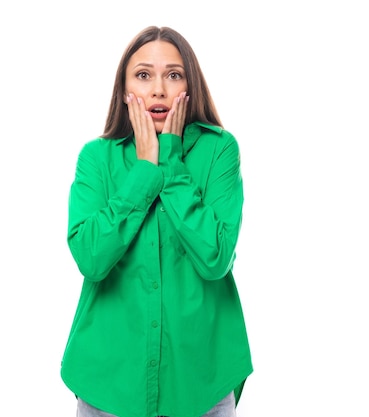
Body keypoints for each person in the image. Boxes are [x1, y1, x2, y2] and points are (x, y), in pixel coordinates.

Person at [60, 26, 253, 417]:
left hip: (201, 381)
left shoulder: (220, 150)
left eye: (174, 75)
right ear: (125, 90)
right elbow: (91, 258)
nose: (159, 90)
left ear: (190, 85)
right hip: (107, 383)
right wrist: (144, 171)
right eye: (144, 75)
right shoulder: (97, 158)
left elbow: (215, 256)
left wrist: (169, 160)